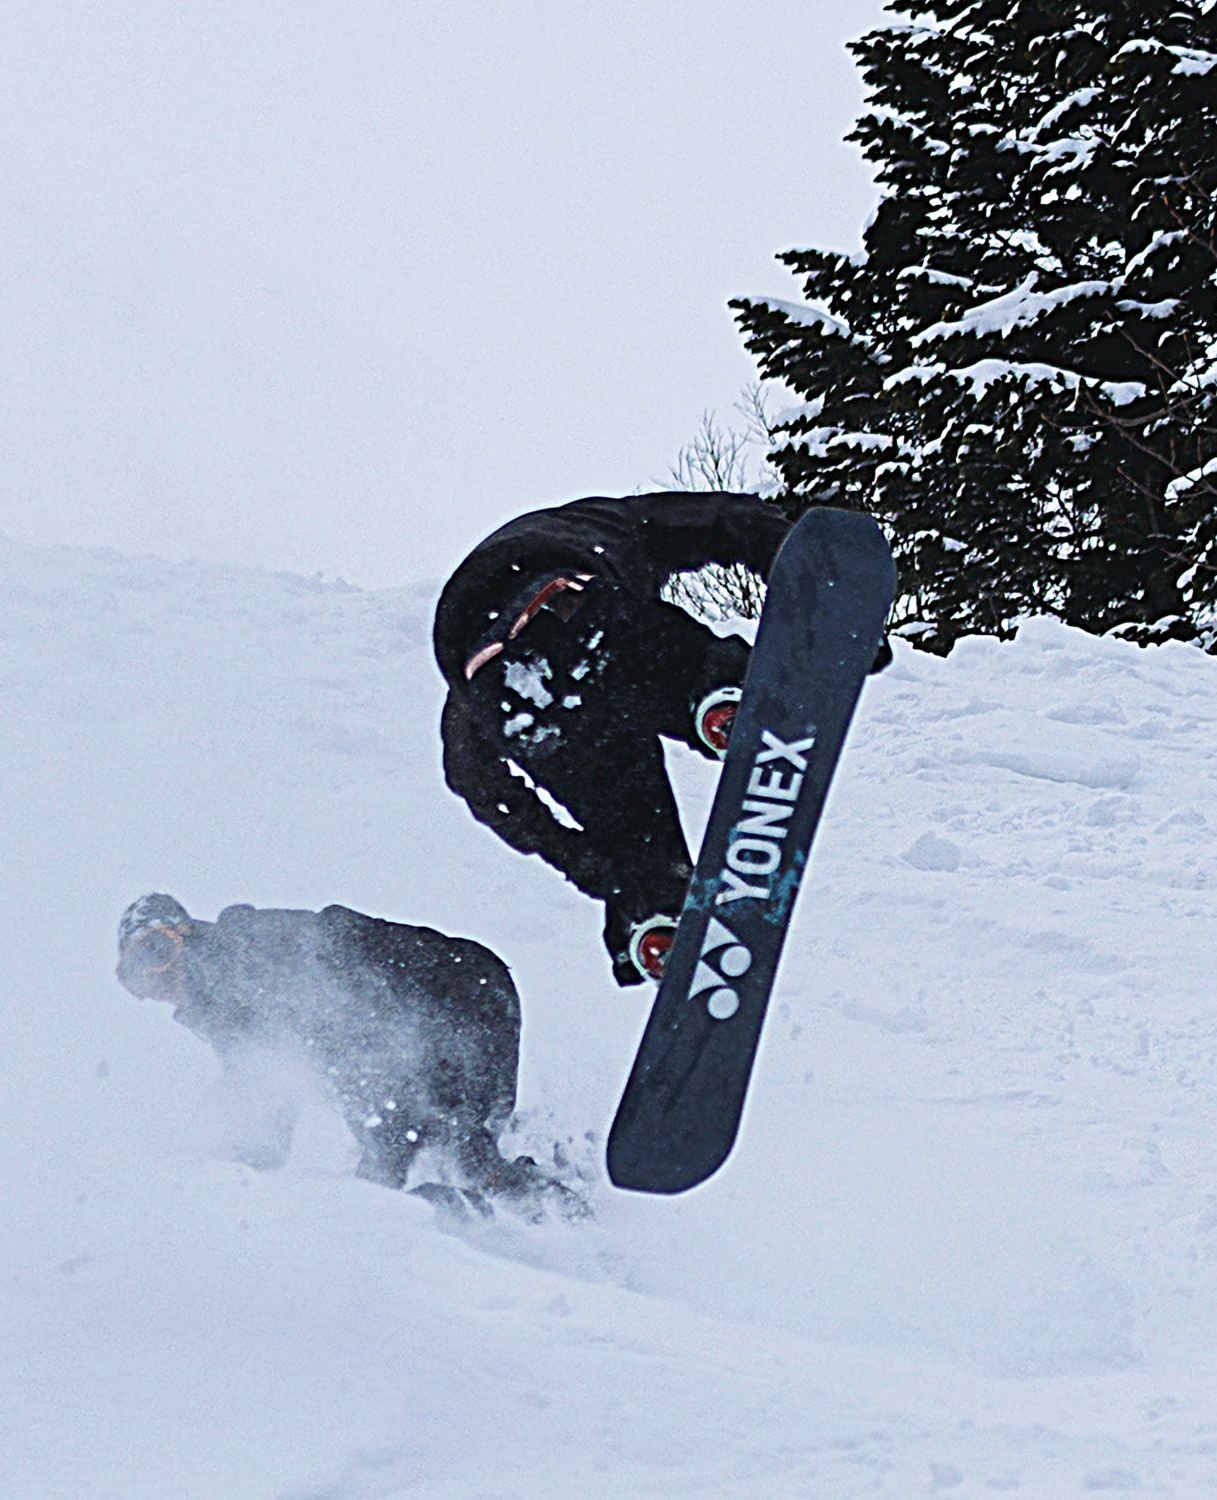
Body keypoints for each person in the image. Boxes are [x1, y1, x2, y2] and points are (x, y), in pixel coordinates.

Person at [433, 490, 800, 986]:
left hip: (499, 695)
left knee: (636, 833)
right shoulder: (629, 524)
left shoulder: (464, 703)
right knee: (664, 661)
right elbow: (736, 522)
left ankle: (654, 922)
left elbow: (472, 774)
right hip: (555, 604)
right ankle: (718, 700)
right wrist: (812, 594)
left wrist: (581, 859)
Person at [115, 893, 563, 1214]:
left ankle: (553, 1220)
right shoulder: (224, 1008)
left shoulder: (240, 952)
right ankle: (545, 1224)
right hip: (452, 1006)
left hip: (458, 993)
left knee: (436, 1164)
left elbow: (338, 1036)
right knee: (442, 1159)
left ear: (187, 935)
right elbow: (269, 1090)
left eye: (159, 949)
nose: (157, 973)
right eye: (137, 971)